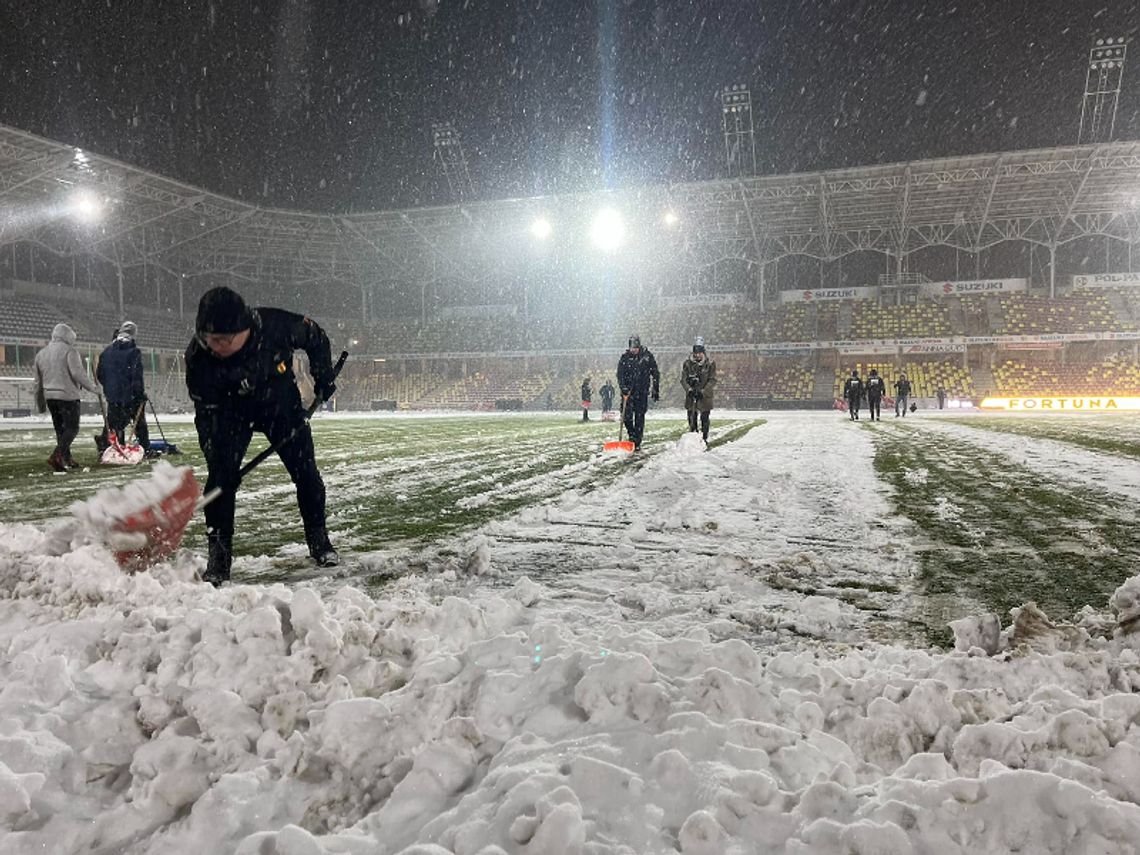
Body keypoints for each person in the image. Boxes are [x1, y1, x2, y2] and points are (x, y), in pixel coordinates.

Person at [185, 286, 339, 586]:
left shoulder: (277, 325)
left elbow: (316, 339)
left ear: (243, 330)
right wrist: (214, 454)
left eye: (222, 340)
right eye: (208, 339)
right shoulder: (199, 358)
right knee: (219, 480)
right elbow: (206, 415)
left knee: (307, 474)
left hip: (280, 405)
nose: (214, 346)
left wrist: (323, 377)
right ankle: (218, 560)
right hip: (230, 413)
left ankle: (320, 543)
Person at [33, 323, 100, 471]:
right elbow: (77, 373)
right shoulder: (70, 351)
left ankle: (66, 458)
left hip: (50, 396)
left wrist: (40, 403)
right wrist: (93, 388)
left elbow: (37, 382)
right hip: (67, 396)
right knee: (72, 428)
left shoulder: (41, 354)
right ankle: (57, 455)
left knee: (60, 430)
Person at [96, 321, 150, 454]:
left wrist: (110, 388)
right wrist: (140, 394)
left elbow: (100, 374)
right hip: (130, 395)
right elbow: (136, 376)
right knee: (139, 424)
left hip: (113, 396)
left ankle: (108, 443)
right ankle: (145, 448)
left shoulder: (106, 352)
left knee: (114, 422)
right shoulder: (133, 352)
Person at [616, 334, 660, 451]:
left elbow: (655, 372)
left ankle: (637, 441)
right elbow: (620, 374)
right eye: (632, 348)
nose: (634, 350)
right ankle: (632, 434)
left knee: (640, 416)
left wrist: (655, 388)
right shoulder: (625, 358)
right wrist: (623, 387)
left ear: (639, 347)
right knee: (626, 416)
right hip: (628, 392)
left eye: (635, 348)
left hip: (642, 391)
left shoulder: (647, 357)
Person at [681, 336, 716, 443]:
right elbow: (683, 380)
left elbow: (712, 380)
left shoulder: (710, 364)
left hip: (705, 396)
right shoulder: (687, 364)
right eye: (695, 353)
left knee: (705, 419)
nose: (697, 355)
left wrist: (703, 391)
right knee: (692, 418)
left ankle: (704, 438)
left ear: (703, 353)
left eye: (700, 353)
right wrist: (690, 390)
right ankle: (693, 437)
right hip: (691, 396)